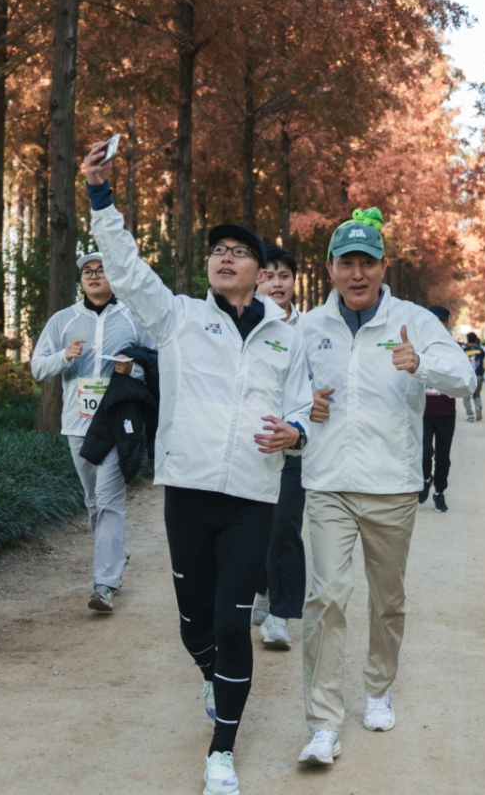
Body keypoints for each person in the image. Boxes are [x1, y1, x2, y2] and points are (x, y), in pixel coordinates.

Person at [84, 141, 316, 795]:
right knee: (195, 627)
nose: (224, 257)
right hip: (188, 492)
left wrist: (296, 431)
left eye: (238, 251)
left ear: (260, 271)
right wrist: (101, 196)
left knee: (231, 619)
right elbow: (126, 269)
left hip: (252, 497)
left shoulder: (286, 337)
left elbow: (303, 403)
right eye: (217, 250)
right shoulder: (178, 318)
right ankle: (211, 676)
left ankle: (222, 753)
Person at [295, 208, 476, 766]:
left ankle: (377, 689)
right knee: (325, 598)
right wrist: (304, 408)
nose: (357, 274)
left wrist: (420, 364)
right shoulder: (309, 327)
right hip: (327, 483)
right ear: (329, 268)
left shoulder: (414, 321)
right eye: (346, 263)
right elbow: (282, 394)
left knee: (387, 598)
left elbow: (466, 378)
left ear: (383, 267)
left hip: (392, 486)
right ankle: (323, 723)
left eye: (367, 263)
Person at [31, 252, 153, 613]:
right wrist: (64, 356)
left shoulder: (133, 317)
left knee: (108, 498)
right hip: (78, 423)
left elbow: (159, 362)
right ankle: (116, 550)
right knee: (93, 500)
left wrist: (133, 370)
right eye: (88, 272)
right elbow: (38, 367)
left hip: (118, 422)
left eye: (101, 271)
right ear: (81, 279)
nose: (95, 276)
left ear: (113, 277)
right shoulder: (63, 320)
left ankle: (105, 583)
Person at [249, 247, 308, 651]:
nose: (276, 283)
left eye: (283, 276)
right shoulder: (244, 325)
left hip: (294, 448)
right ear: (256, 280)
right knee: (254, 528)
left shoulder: (311, 328)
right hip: (251, 448)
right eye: (268, 275)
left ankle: (280, 616)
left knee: (285, 526)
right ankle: (262, 588)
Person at [420, 305, 459, 513]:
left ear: (446, 323)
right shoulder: (418, 345)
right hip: (423, 409)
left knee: (443, 457)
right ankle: (425, 478)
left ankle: (439, 491)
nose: (438, 324)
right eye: (434, 319)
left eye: (441, 320)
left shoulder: (453, 348)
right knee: (424, 451)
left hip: (446, 409)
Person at [462, 331, 485, 422]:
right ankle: (478, 408)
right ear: (476, 340)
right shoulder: (481, 351)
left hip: (467, 376)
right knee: (477, 395)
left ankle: (470, 415)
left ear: (467, 340)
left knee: (466, 396)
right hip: (478, 375)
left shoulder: (464, 351)